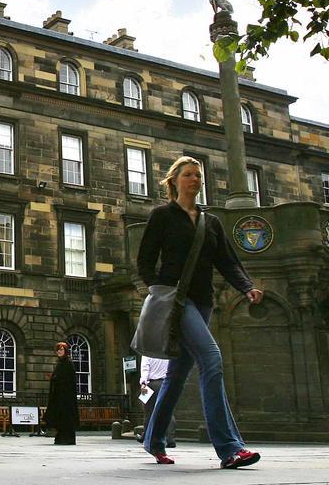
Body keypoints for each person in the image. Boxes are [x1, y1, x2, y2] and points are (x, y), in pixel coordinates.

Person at [137, 156, 264, 469]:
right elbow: (144, 260)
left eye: (198, 175)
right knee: (211, 359)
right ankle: (230, 448)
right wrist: (158, 289)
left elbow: (228, 261)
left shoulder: (212, 223)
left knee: (176, 376)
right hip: (175, 301)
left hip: (202, 301)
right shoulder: (162, 216)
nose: (195, 179)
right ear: (175, 181)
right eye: (189, 174)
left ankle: (154, 440)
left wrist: (246, 287)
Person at [44, 341, 79, 445]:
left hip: (66, 398)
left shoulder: (68, 363)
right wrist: (53, 378)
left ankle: (67, 439)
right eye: (58, 350)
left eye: (61, 349)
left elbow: (69, 380)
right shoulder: (59, 363)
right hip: (59, 397)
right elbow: (59, 377)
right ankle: (60, 437)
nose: (59, 351)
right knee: (60, 417)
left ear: (66, 351)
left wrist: (55, 378)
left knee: (66, 418)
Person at [137, 357, 175, 447]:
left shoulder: (146, 353)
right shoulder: (166, 351)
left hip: (151, 385)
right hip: (166, 383)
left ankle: (146, 436)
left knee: (148, 412)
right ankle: (170, 439)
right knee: (168, 411)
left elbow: (145, 368)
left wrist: (143, 383)